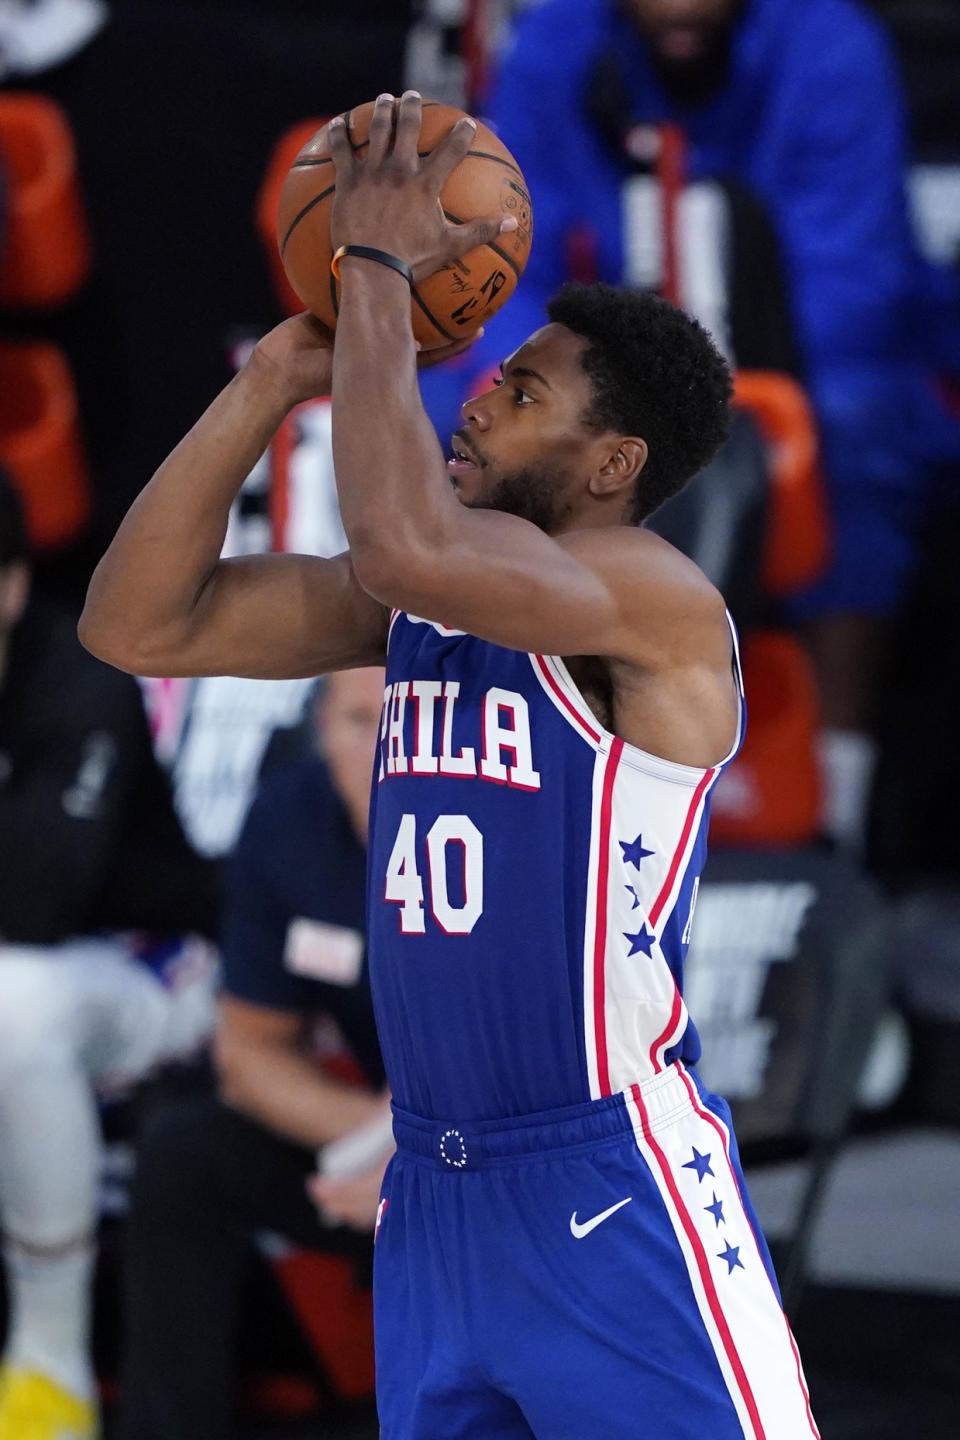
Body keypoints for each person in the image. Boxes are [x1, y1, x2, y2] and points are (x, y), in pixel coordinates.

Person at [80, 92, 817, 1438]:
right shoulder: (416, 606)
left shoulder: (646, 596)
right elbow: (137, 623)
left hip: (612, 1187)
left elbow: (411, 538)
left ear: (612, 462)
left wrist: (371, 267)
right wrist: (262, 387)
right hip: (435, 1191)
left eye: (521, 390)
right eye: (493, 371)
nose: (480, 395)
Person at [422, 0, 960, 852]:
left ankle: (839, 808)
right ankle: (502, 771)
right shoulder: (558, 43)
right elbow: (505, 256)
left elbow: (852, 291)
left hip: (794, 364)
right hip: (610, 361)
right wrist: (558, 390)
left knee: (862, 423)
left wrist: (684, 395)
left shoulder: (829, 48)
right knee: (456, 409)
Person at [114, 666, 391, 1440]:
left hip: (513, 1157)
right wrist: (375, 1141)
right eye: (359, 721)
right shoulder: (291, 820)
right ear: (322, 726)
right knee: (184, 1151)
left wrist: (428, 1168)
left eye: (404, 724)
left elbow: (550, 1065)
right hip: (379, 1147)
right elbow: (250, 1055)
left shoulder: (505, 827)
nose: (382, 753)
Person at [0, 468, 219, 1440]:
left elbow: (32, 905)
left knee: (10, 1002)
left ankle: (47, 1376)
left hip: (162, 967)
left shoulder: (78, 673)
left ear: (10, 584)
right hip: (47, 972)